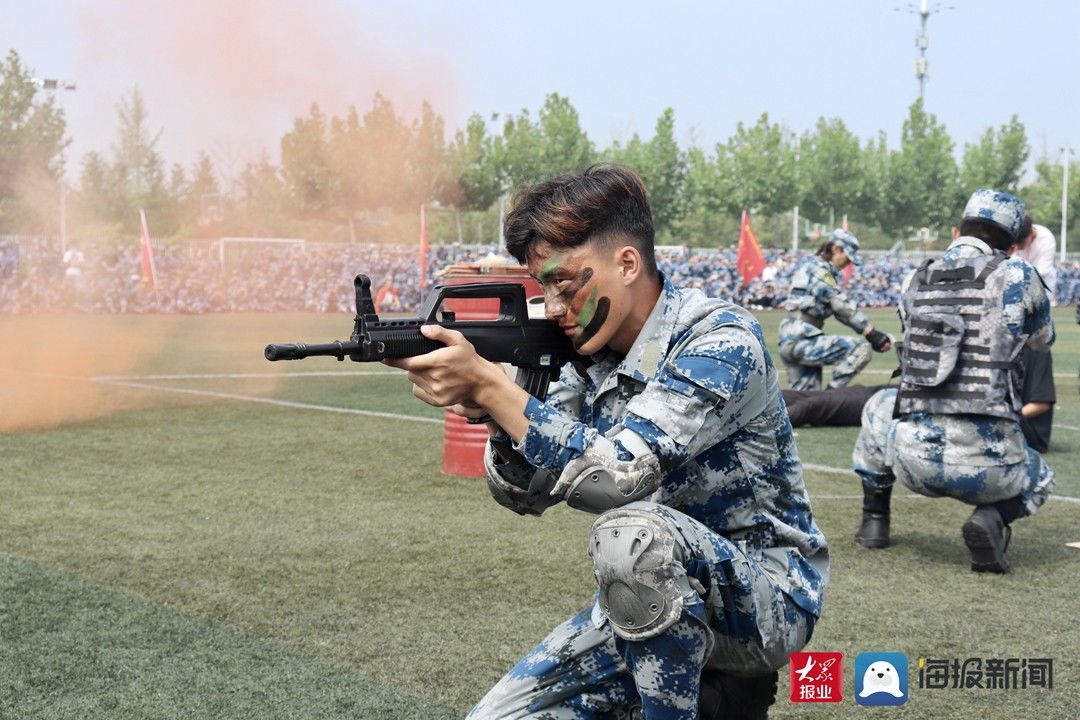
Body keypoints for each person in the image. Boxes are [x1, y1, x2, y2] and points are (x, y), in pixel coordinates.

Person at [387, 165, 829, 719]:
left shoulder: (719, 340)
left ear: (626, 263)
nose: (551, 307)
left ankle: (714, 694)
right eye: (542, 286)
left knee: (630, 533)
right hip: (650, 600)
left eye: (564, 283)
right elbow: (525, 495)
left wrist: (494, 389)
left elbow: (614, 479)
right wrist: (496, 412)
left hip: (762, 602)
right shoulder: (584, 352)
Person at [851, 189, 1055, 574]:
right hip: (993, 471)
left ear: (957, 229)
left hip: (912, 463)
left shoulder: (915, 276)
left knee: (877, 405)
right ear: (1012, 244)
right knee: (1042, 477)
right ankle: (992, 519)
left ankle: (874, 521)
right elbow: (1043, 341)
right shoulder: (1018, 274)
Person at [777, 229, 892, 390]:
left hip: (790, 337)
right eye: (847, 257)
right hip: (803, 339)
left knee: (807, 404)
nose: (848, 264)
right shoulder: (823, 272)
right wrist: (870, 332)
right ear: (836, 249)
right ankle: (831, 395)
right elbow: (839, 304)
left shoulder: (811, 266)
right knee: (861, 349)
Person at [1013, 216, 1058, 304]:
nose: (1018, 247)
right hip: (1018, 280)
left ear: (1030, 234)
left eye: (1020, 242)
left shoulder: (1046, 238)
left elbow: (1042, 271)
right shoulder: (1016, 236)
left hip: (1042, 281)